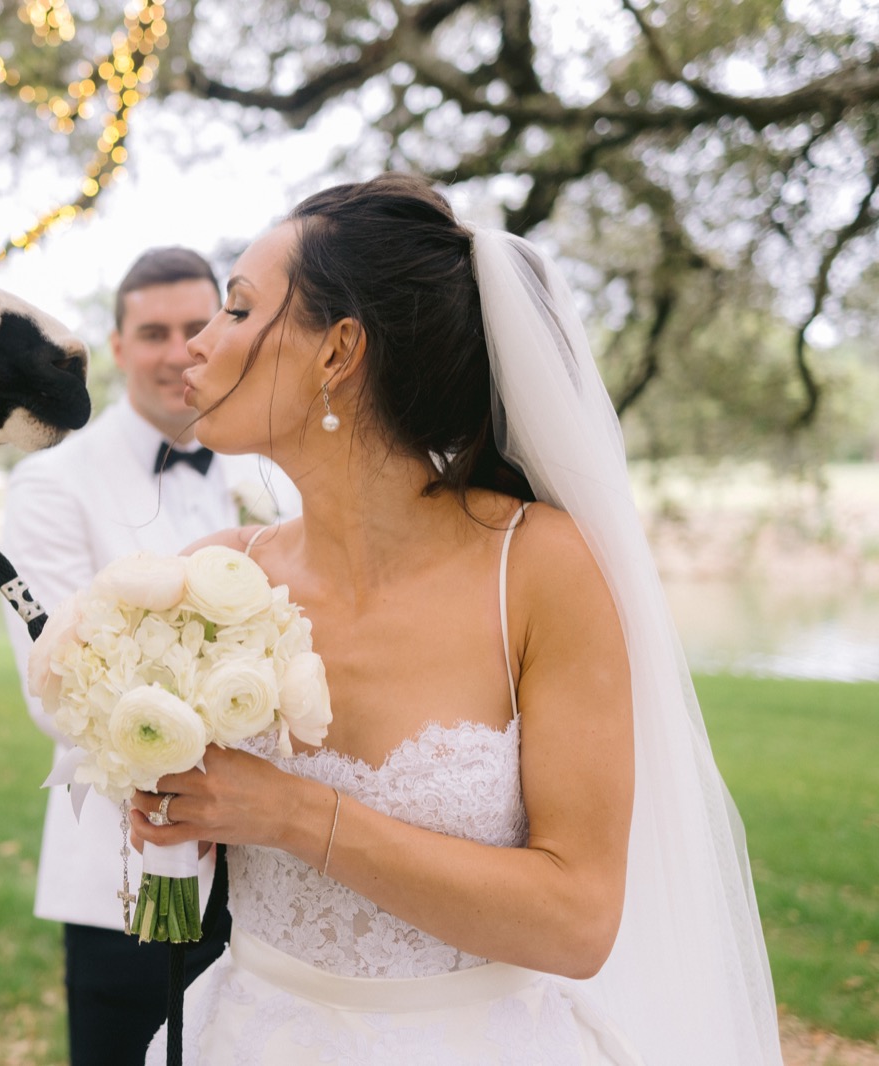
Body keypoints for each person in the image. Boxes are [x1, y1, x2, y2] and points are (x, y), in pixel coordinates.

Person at [125, 176, 781, 1064]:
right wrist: (168, 821)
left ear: (340, 350)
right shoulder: (218, 577)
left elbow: (579, 922)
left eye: (237, 311)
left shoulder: (540, 568)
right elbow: (171, 889)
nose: (195, 348)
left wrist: (294, 815)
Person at [0, 247, 301, 1066]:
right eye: (152, 331)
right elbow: (55, 690)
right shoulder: (53, 485)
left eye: (194, 326)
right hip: (127, 879)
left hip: (284, 882)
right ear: (119, 344)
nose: (177, 351)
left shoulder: (269, 477)